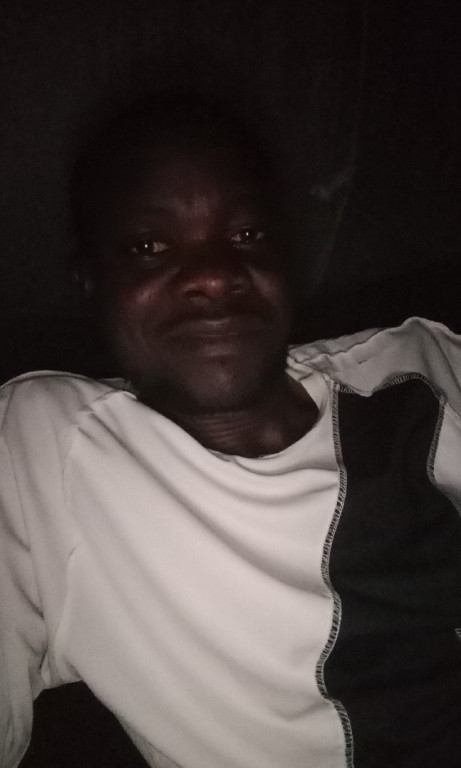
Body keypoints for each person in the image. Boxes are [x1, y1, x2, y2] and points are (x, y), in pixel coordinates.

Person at [1, 92, 461, 768]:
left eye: (247, 235)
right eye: (149, 247)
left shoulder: (421, 370)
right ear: (90, 279)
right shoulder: (43, 448)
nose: (215, 275)